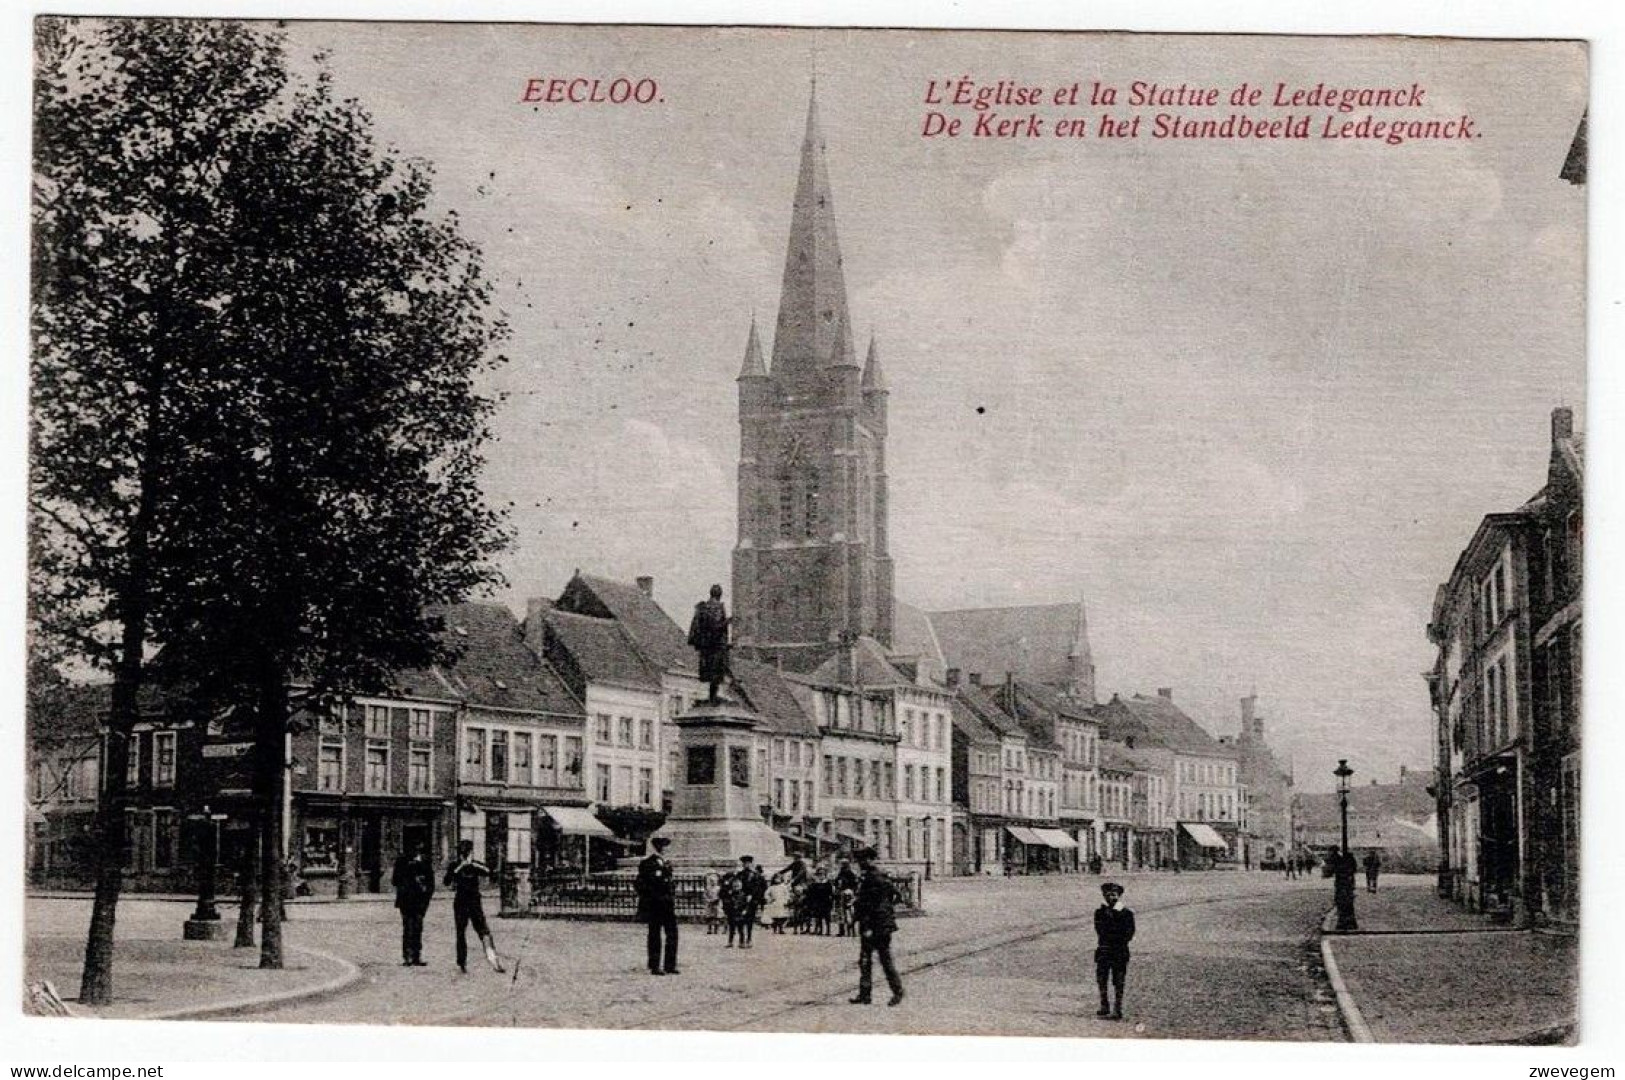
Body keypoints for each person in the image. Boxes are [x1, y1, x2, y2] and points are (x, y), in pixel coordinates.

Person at [849, 847, 904, 1006]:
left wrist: (868, 925)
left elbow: (871, 905)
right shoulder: (877, 876)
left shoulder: (873, 878)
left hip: (875, 926)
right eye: (859, 861)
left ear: (871, 860)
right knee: (868, 960)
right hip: (880, 924)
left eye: (863, 860)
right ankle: (866, 994)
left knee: (879, 959)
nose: (860, 863)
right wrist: (888, 909)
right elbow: (897, 895)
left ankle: (896, 992)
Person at [444, 840, 504, 974]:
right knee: (461, 933)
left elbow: (489, 872)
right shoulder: (455, 865)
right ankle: (462, 962)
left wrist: (473, 864)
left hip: (474, 903)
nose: (466, 854)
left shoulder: (475, 865)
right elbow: (447, 881)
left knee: (484, 931)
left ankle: (493, 960)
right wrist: (461, 866)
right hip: (460, 903)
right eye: (465, 852)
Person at [635, 836, 680, 975]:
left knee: (672, 934)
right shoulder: (647, 863)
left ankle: (670, 965)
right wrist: (650, 898)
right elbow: (640, 884)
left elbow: (669, 883)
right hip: (655, 904)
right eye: (665, 846)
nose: (667, 849)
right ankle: (655, 965)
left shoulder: (667, 864)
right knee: (655, 935)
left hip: (667, 904)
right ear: (659, 847)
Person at [1093, 881, 1135, 1020]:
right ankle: (1104, 1005)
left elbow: (1129, 933)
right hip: (1104, 951)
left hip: (1119, 952)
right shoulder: (1099, 912)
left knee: (1118, 981)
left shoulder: (1127, 913)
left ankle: (1118, 1008)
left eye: (1114, 894)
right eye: (1107, 894)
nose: (1110, 897)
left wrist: (1114, 920)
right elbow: (1099, 930)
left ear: (1119, 896)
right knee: (1102, 979)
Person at [391, 840, 435, 966]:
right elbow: (395, 880)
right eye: (413, 849)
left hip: (420, 901)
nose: (415, 852)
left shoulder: (426, 862)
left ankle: (417, 956)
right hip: (406, 901)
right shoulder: (402, 861)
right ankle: (407, 956)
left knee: (418, 928)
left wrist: (426, 898)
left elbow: (431, 883)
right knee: (408, 928)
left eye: (418, 849)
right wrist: (410, 878)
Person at [687, 584, 732, 703]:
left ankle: (712, 695)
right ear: (720, 594)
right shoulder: (716, 607)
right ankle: (713, 696)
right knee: (717, 671)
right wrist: (728, 621)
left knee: (712, 672)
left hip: (706, 647)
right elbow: (715, 626)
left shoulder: (704, 607)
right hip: (716, 646)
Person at [804, 866, 835, 936]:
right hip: (818, 902)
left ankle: (828, 931)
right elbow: (812, 893)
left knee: (827, 917)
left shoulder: (828, 883)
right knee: (819, 917)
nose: (821, 875)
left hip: (826, 902)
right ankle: (820, 930)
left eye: (823, 874)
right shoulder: (815, 884)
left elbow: (831, 893)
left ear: (825, 875)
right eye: (820, 874)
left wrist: (831, 901)